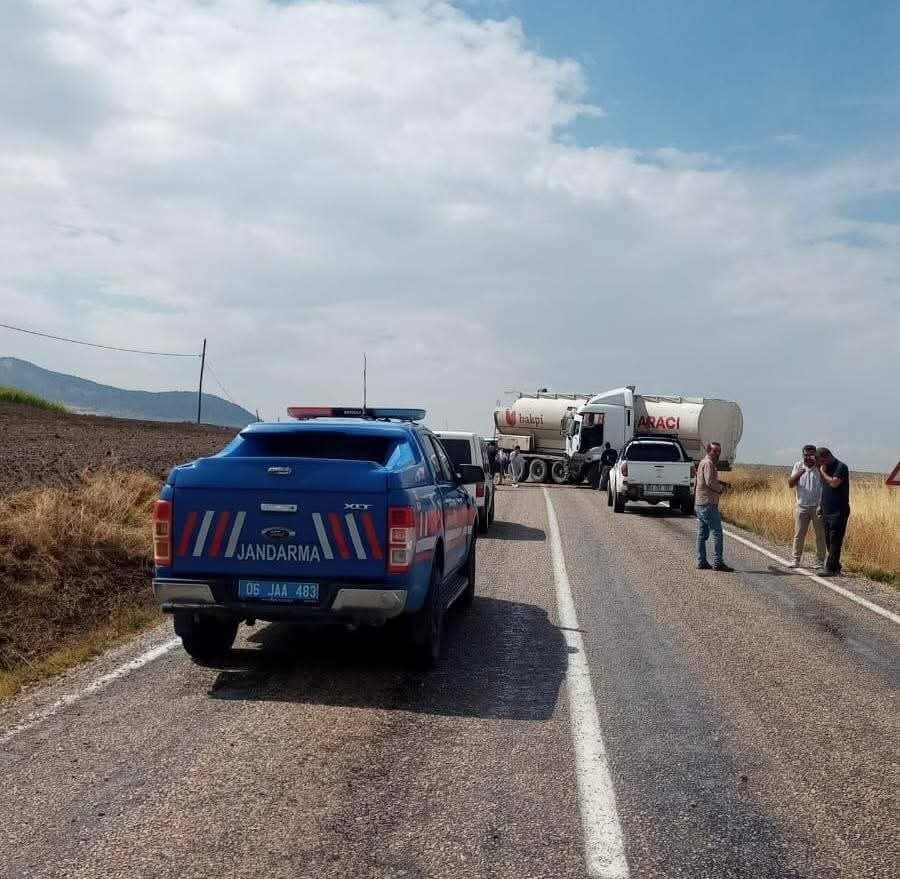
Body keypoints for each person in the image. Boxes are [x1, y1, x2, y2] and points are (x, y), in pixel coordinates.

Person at [694, 441, 734, 572]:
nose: (717, 453)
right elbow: (710, 482)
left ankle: (701, 561)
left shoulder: (703, 462)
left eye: (719, 451)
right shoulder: (708, 463)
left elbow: (704, 480)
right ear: (708, 450)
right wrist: (721, 489)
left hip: (700, 502)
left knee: (702, 534)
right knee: (717, 533)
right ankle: (718, 562)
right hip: (708, 503)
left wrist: (721, 482)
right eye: (714, 451)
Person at [788, 445, 825, 570]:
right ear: (802, 455)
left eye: (811, 455)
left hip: (817, 507)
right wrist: (801, 471)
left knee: (820, 535)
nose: (808, 457)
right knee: (799, 534)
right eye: (806, 455)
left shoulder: (820, 467)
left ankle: (820, 561)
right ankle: (795, 560)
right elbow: (791, 484)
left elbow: (825, 482)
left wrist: (818, 465)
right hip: (801, 506)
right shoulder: (798, 465)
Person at [816, 447, 850, 577]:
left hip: (838, 511)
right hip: (826, 510)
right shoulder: (826, 468)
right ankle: (835, 566)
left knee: (835, 539)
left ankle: (830, 569)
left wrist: (823, 473)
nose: (821, 465)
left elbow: (834, 483)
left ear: (827, 456)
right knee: (829, 540)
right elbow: (824, 489)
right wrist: (820, 505)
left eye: (821, 461)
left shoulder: (841, 467)